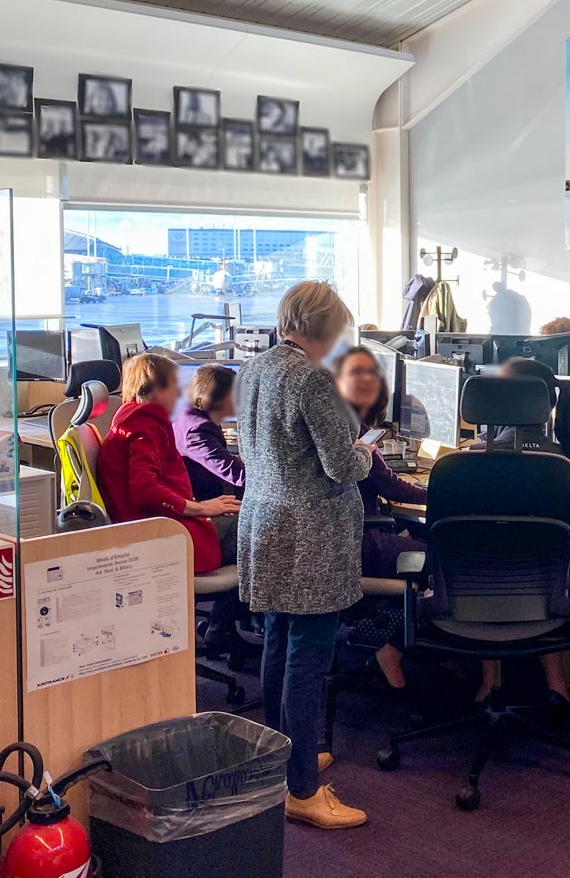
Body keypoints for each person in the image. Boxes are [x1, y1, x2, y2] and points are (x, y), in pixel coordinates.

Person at [237, 281, 373, 830]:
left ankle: (283, 758)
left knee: (277, 640)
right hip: (310, 534)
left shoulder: (254, 369)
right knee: (307, 658)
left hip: (264, 521)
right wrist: (364, 450)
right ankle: (302, 790)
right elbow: (341, 466)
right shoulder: (314, 379)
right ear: (324, 328)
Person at [474, 356, 570, 712]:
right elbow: (566, 540)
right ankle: (558, 687)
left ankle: (489, 684)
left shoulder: (467, 464)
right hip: (545, 595)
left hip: (471, 594)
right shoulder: (561, 467)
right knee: (543, 561)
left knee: (490, 559)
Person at [332, 346, 427, 690]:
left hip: (342, 541)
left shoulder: (344, 424)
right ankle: (393, 647)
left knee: (423, 541)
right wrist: (444, 491)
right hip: (360, 543)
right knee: (446, 559)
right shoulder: (351, 432)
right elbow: (391, 486)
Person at [96, 353, 241, 574]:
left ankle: (231, 608)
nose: (181, 393)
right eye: (175, 385)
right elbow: (145, 489)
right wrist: (200, 507)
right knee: (261, 527)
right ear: (157, 390)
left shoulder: (129, 416)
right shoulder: (145, 424)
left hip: (158, 524)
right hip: (166, 532)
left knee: (245, 520)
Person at [174, 364, 245, 506]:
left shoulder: (187, 412)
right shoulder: (198, 430)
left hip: (211, 488)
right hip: (207, 500)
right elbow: (235, 473)